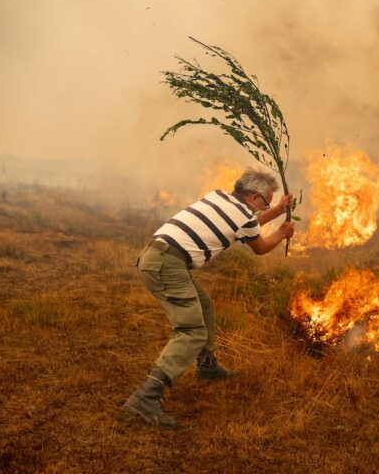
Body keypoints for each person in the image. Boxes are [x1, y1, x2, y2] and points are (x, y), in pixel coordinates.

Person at [123, 168, 295, 430]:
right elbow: (259, 247)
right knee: (191, 331)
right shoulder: (243, 216)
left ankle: (207, 366)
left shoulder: (219, 197)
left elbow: (247, 226)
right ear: (254, 196)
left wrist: (279, 210)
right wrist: (282, 233)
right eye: (266, 203)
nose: (265, 208)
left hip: (159, 256)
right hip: (167, 264)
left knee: (204, 307)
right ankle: (145, 397)